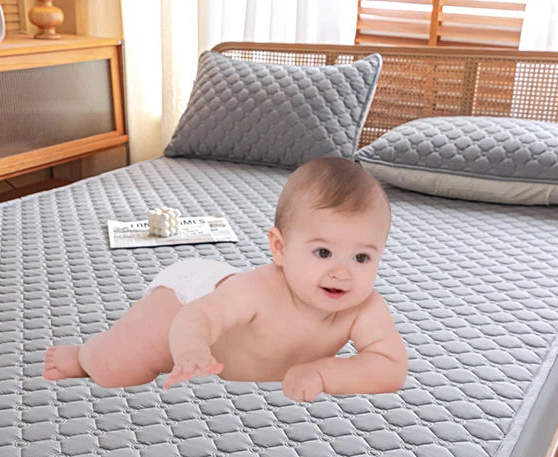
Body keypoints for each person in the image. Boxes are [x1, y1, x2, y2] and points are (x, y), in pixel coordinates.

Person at [43, 156, 407, 402]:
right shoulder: (257, 291)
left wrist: (323, 374)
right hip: (189, 298)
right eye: (323, 253)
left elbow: (391, 367)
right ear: (279, 248)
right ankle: (84, 355)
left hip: (218, 315)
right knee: (118, 367)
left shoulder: (365, 306)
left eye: (362, 257)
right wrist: (190, 351)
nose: (342, 272)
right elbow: (197, 318)